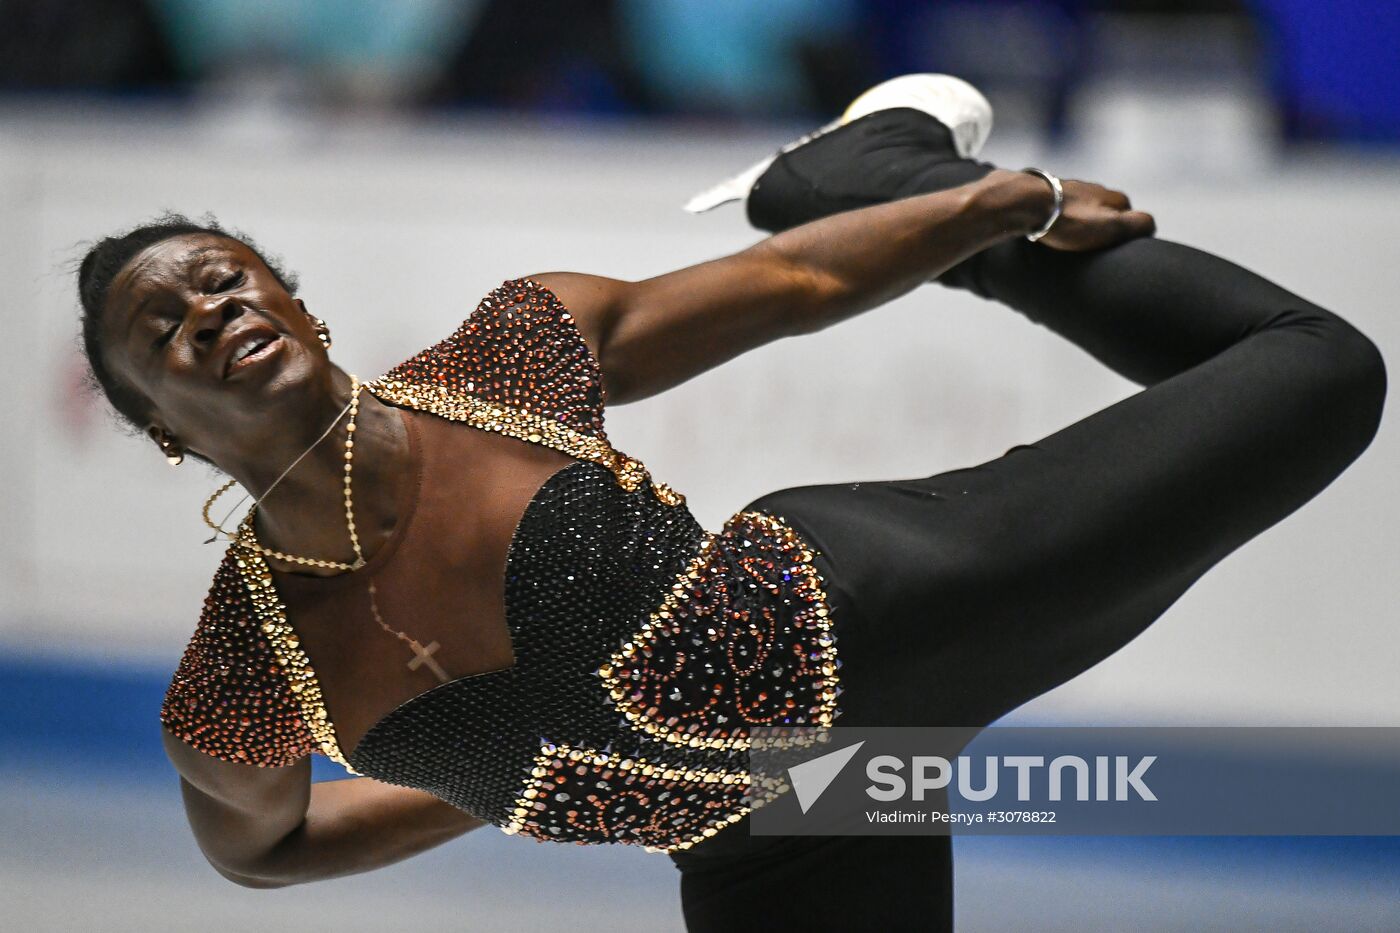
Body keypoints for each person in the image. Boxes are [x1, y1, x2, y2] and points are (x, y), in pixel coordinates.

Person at [75, 75, 1384, 931]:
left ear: (298, 305)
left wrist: (1005, 205)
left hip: (879, 610)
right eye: (164, 325)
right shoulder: (240, 678)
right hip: (781, 828)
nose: (212, 311)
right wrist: (522, 780)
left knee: (1320, 375)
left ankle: (871, 167)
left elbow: (796, 283)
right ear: (158, 427)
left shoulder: (500, 364)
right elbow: (261, 847)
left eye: (227, 278)